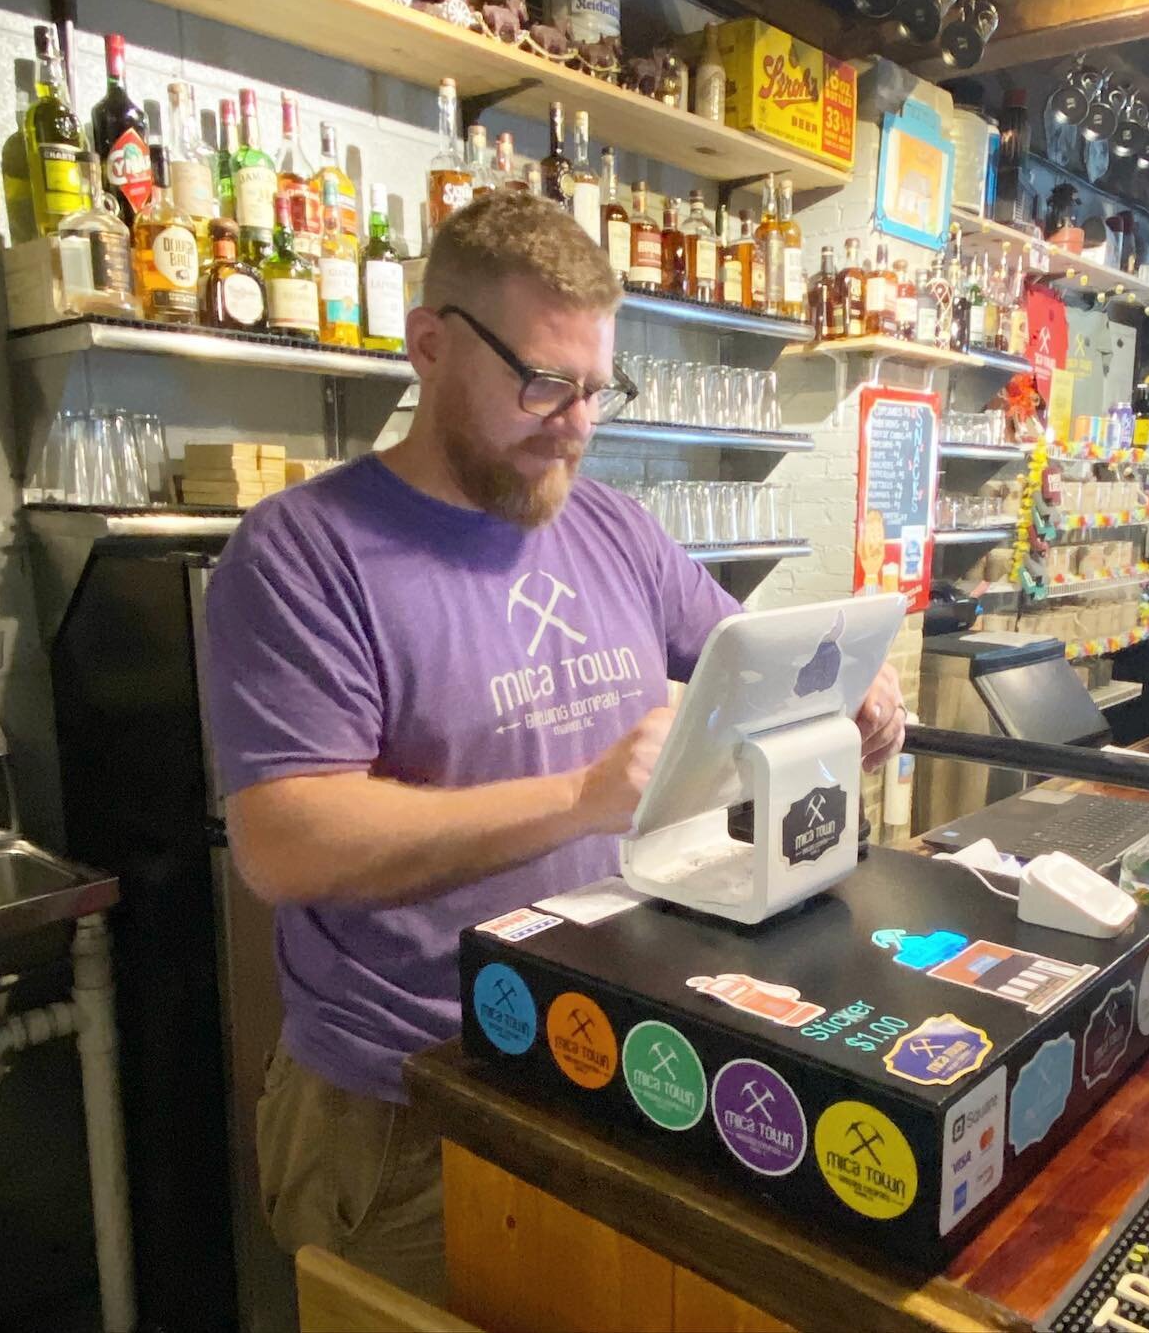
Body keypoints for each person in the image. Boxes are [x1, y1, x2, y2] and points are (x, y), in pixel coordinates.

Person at [204, 191, 906, 1301]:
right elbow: (286, 843)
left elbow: (737, 656)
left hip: (599, 1051)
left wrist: (844, 691)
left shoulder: (608, 524)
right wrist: (581, 796)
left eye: (597, 390)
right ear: (429, 346)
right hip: (408, 1098)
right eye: (543, 384)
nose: (576, 424)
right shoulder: (302, 553)